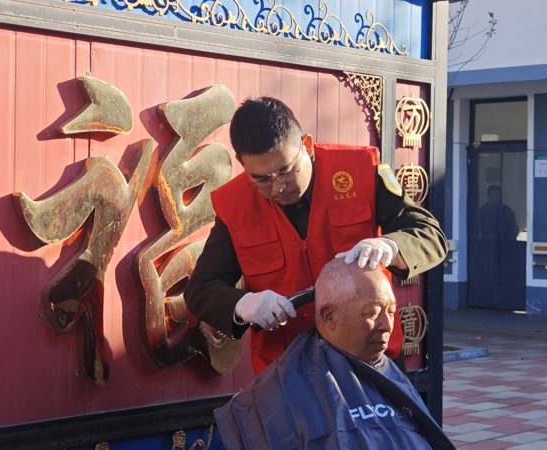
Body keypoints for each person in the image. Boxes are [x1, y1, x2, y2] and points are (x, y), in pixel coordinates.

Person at [185, 96, 447, 374]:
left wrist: (390, 246)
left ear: (307, 145)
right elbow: (200, 289)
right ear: (241, 162)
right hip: (288, 370)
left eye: (286, 171)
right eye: (261, 179)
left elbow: (430, 235)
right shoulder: (234, 204)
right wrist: (242, 304)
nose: (278, 187)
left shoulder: (360, 171)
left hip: (371, 357)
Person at [214, 260, 455, 450]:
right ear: (329, 317)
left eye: (391, 312)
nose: (387, 326)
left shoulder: (389, 374)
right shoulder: (282, 391)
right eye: (371, 313)